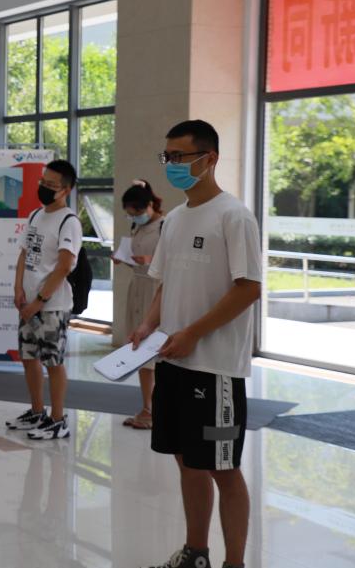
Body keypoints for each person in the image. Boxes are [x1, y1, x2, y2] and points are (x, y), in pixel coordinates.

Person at [132, 120, 261, 568]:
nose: (171, 165)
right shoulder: (175, 219)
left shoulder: (234, 216)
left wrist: (193, 333)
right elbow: (165, 282)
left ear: (210, 159)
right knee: (187, 460)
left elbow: (249, 288)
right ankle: (196, 553)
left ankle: (234, 563)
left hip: (215, 368)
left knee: (222, 467)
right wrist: (148, 324)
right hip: (173, 363)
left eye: (180, 157)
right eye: (167, 156)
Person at [7, 160, 82, 440]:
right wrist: (18, 288)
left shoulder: (69, 221)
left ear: (66, 190)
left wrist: (38, 301)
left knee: (53, 361)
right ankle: (37, 411)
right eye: (43, 182)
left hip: (52, 306)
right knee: (29, 358)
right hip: (28, 303)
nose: (44, 188)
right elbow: (24, 254)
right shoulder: (36, 215)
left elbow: (64, 266)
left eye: (51, 185)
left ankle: (58, 419)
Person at [113, 180, 164, 429]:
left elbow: (174, 259)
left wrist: (150, 259)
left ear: (150, 205)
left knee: (157, 349)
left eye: (138, 212)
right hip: (138, 286)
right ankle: (147, 407)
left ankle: (159, 408)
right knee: (140, 350)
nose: (135, 217)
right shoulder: (139, 227)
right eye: (131, 214)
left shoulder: (165, 225)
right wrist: (125, 258)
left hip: (156, 289)